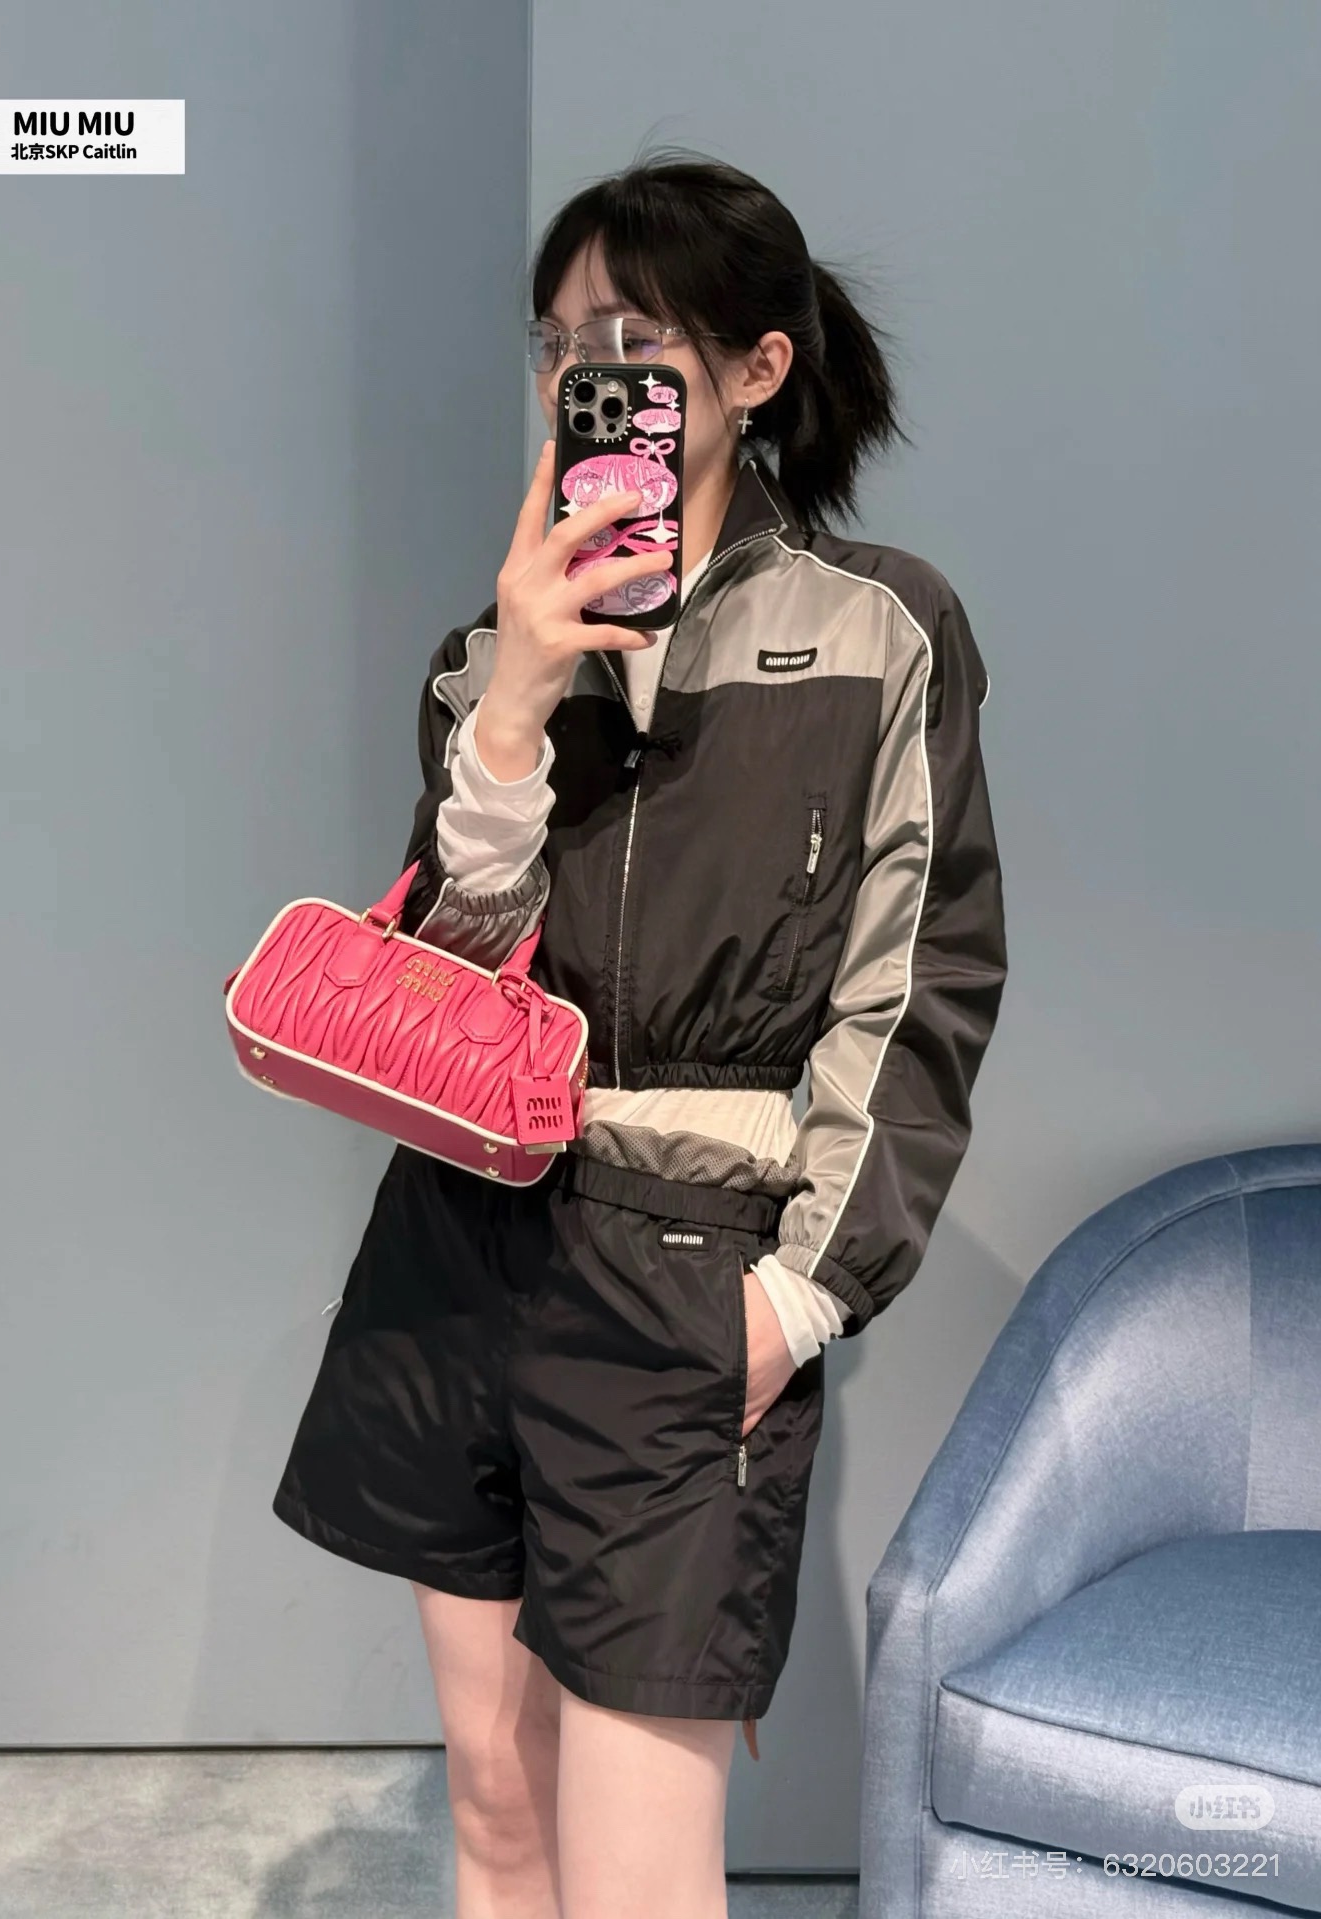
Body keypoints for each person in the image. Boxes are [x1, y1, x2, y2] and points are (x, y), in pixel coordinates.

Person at [272, 148, 1008, 1919]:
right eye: (558, 344)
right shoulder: (487, 649)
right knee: (497, 1814)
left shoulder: (882, 628)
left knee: (638, 1874)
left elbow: (921, 988)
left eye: (634, 342)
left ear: (756, 368)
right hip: (458, 1248)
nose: (582, 374)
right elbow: (455, 969)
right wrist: (521, 695)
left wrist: (797, 1300)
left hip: (689, 1276)